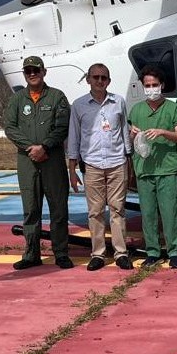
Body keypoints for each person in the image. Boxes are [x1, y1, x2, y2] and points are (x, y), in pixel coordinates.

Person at [3, 55, 73, 270]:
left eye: (36, 70)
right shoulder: (17, 99)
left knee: (58, 208)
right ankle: (32, 253)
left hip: (52, 160)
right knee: (31, 209)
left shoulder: (57, 97)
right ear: (25, 74)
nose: (32, 74)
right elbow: (10, 127)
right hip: (27, 161)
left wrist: (44, 147)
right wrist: (30, 148)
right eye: (28, 71)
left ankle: (61, 252)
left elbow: (62, 126)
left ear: (44, 71)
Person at [66, 63, 133, 271]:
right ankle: (98, 253)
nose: (100, 81)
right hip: (92, 164)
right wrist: (72, 170)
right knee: (95, 211)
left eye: (104, 78)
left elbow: (124, 132)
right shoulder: (78, 105)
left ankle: (121, 252)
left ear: (109, 81)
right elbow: (74, 137)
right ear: (88, 79)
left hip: (117, 162)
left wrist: (129, 161)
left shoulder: (118, 102)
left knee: (117, 209)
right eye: (96, 77)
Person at [128, 66, 177, 269]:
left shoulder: (173, 109)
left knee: (170, 212)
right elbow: (130, 139)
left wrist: (163, 132)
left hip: (167, 169)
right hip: (145, 169)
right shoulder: (136, 110)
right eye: (147, 85)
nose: (151, 88)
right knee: (148, 214)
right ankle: (153, 252)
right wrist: (132, 133)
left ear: (162, 85)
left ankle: (175, 251)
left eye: (155, 85)